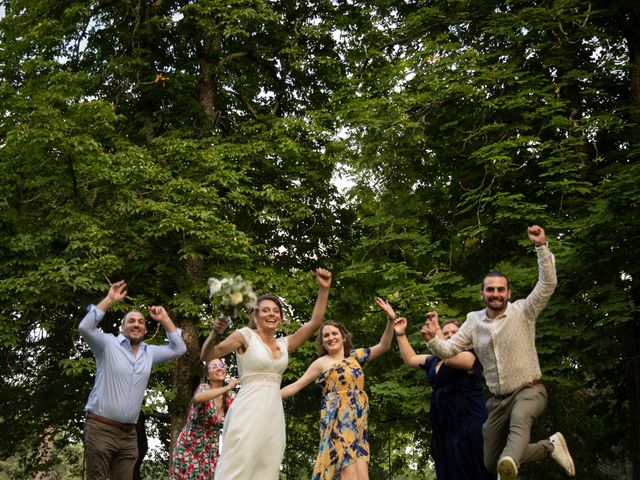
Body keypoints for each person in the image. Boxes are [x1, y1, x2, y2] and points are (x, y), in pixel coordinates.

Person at [422, 225, 575, 480]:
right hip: (497, 401)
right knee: (491, 463)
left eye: (501, 289)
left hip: (529, 389)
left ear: (509, 293)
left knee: (520, 420)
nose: (496, 294)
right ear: (482, 293)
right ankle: (549, 447)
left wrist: (541, 247)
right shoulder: (473, 321)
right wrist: (432, 341)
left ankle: (510, 462)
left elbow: (548, 283)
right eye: (490, 289)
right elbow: (449, 350)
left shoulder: (523, 311)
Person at [201, 268, 333, 480]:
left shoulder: (284, 344)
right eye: (266, 310)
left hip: (272, 412)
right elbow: (209, 356)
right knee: (238, 462)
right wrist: (214, 333)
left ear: (280, 317)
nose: (272, 314)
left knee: (267, 466)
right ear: (255, 315)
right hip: (248, 409)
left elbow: (315, 322)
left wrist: (323, 289)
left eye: (276, 311)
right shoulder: (244, 336)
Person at [78, 280, 187, 480]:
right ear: (122, 327)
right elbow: (85, 328)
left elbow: (179, 348)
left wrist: (164, 319)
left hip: (128, 435)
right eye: (131, 321)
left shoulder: (149, 352)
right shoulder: (107, 345)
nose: (136, 324)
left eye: (141, 322)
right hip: (101, 428)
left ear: (145, 329)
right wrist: (109, 299)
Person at [280, 297, 395, 480]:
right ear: (323, 342)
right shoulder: (321, 363)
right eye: (326, 336)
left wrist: (390, 320)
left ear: (343, 336)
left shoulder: (355, 357)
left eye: (334, 333)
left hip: (358, 421)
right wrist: (267, 396)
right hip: (337, 422)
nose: (331, 337)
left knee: (362, 474)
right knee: (346, 471)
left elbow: (384, 346)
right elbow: (296, 385)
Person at [380, 296, 492, 480]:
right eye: (446, 333)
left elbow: (450, 357)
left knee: (474, 472)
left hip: (469, 424)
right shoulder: (435, 361)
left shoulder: (471, 356)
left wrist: (436, 331)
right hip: (444, 426)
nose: (449, 335)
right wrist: (400, 333)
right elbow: (410, 359)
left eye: (454, 332)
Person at [169, 358, 240, 479]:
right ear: (207, 375)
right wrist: (228, 387)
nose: (219, 368)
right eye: (213, 367)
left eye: (221, 365)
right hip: (189, 448)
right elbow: (198, 398)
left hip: (210, 451)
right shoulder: (204, 388)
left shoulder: (230, 397)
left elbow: (249, 405)